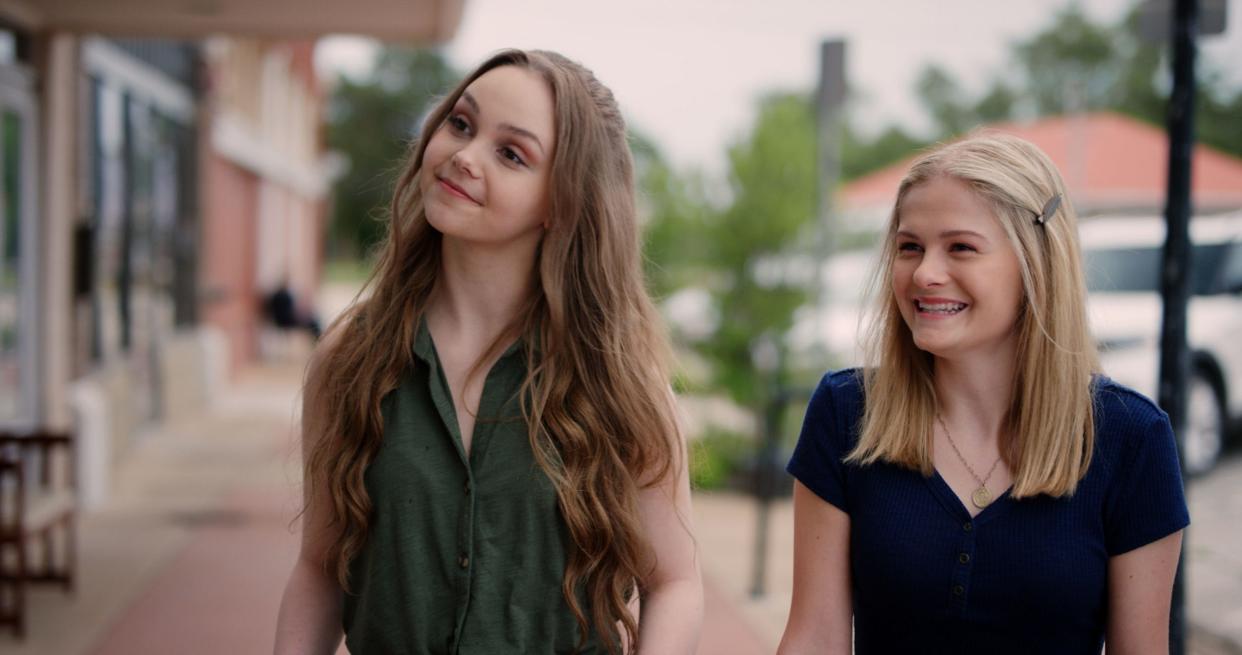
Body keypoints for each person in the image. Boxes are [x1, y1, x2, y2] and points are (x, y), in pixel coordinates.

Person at [274, 49, 702, 654]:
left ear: (562, 202)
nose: (463, 156)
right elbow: (319, 569)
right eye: (460, 124)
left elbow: (676, 582)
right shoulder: (351, 358)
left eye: (511, 154)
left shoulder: (618, 381)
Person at [778, 133, 1188, 654]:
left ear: (1035, 265)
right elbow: (814, 638)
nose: (925, 273)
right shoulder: (845, 412)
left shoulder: (1131, 438)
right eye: (910, 247)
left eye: (961, 248)